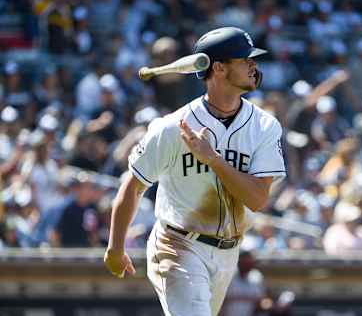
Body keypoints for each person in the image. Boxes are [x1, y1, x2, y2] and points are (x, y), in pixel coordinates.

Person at [104, 27, 287, 316]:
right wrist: (115, 247)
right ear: (219, 68)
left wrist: (213, 159)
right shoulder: (172, 127)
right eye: (245, 60)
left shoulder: (265, 126)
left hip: (229, 252)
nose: (254, 66)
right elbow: (133, 186)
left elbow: (258, 199)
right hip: (176, 244)